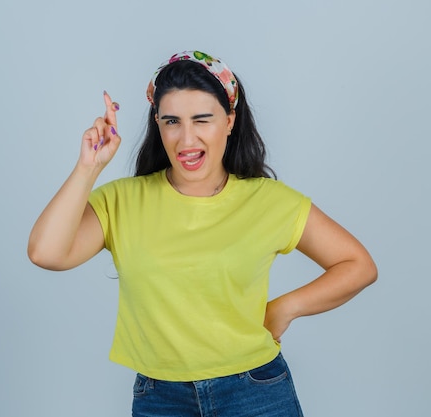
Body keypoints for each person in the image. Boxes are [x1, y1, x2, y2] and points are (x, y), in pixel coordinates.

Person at [27, 50, 377, 417]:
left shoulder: (269, 201)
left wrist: (285, 308)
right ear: (157, 124)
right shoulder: (122, 201)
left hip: (256, 392)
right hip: (160, 398)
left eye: (202, 120)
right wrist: (89, 167)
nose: (186, 139)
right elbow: (46, 253)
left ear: (229, 121)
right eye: (172, 121)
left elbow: (357, 264)